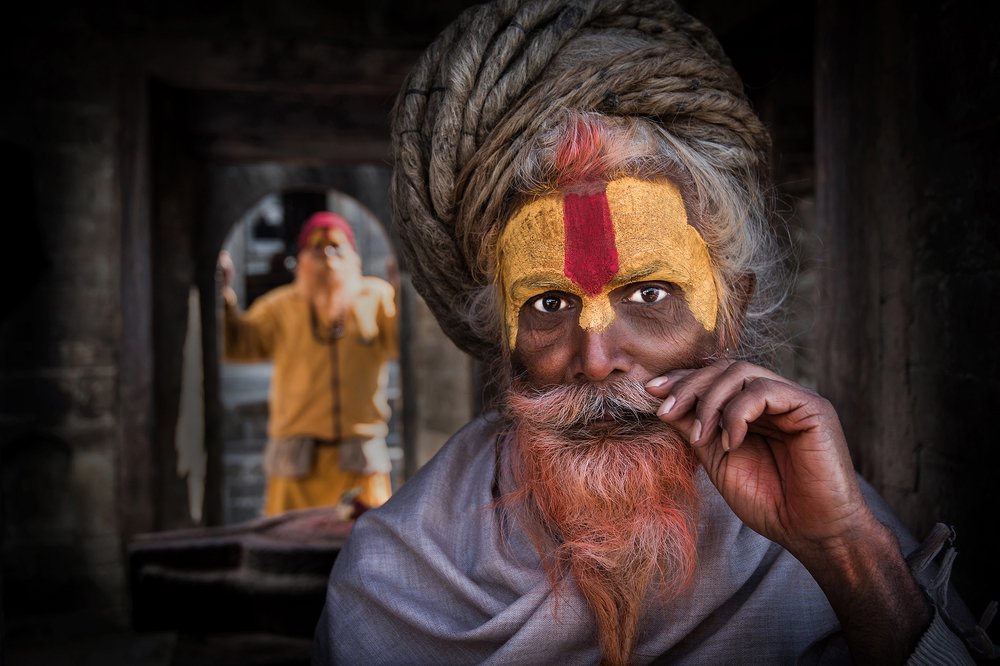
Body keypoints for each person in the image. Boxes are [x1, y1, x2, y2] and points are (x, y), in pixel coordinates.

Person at [313, 2, 995, 664]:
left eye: (650, 293)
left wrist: (846, 552)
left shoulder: (819, 528)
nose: (598, 358)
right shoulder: (397, 579)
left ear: (730, 312)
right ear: (504, 341)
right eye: (549, 302)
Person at [221, 211, 398, 516]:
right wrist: (223, 295)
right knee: (291, 551)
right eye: (316, 248)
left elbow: (403, 342)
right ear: (300, 259)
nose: (327, 256)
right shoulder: (278, 306)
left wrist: (405, 291)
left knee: (367, 548)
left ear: (353, 256)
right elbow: (239, 344)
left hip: (359, 459)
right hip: (295, 462)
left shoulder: (378, 297)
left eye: (336, 247)